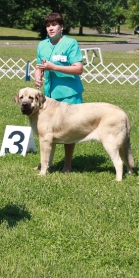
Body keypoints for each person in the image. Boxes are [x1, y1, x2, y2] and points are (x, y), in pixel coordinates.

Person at [34, 12, 84, 173]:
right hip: (49, 96)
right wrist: (38, 77)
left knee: (69, 129)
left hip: (70, 93)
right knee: (48, 130)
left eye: (54, 25)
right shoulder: (42, 45)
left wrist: (54, 67)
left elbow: (78, 69)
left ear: (61, 27)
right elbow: (38, 66)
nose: (51, 28)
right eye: (48, 25)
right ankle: (45, 164)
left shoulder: (71, 44)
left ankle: (67, 165)